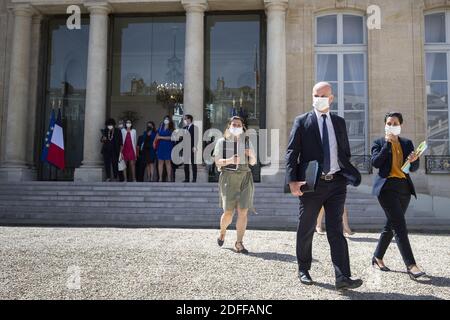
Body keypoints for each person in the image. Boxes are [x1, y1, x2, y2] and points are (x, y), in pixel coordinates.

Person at [286, 81, 363, 290]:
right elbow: (292, 152)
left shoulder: (338, 122)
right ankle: (303, 268)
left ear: (331, 98)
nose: (318, 99)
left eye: (323, 95)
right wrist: (292, 181)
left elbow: (344, 152)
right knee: (306, 227)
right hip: (311, 185)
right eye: (315, 95)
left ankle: (343, 277)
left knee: (336, 230)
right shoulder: (302, 121)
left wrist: (348, 174)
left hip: (337, 183)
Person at [371, 112, 425, 279]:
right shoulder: (379, 142)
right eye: (389, 122)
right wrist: (387, 145)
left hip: (404, 188)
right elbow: (376, 163)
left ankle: (377, 257)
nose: (392, 125)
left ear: (400, 125)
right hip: (386, 188)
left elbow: (413, 168)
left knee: (391, 226)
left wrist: (414, 160)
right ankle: (411, 265)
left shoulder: (407, 143)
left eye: (395, 123)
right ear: (385, 124)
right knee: (400, 226)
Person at [214, 116, 257, 254]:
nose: (236, 126)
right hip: (228, 179)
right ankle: (222, 232)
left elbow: (253, 162)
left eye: (239, 124)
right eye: (234, 124)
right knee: (228, 212)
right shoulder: (222, 142)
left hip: (245, 177)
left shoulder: (247, 142)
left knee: (243, 211)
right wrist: (230, 160)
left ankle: (239, 243)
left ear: (243, 127)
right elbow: (217, 162)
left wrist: (251, 155)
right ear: (229, 126)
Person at [155, 115, 175, 182]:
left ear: (169, 120)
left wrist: (161, 137)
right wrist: (154, 142)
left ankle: (169, 178)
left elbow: (171, 138)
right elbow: (157, 135)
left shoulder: (171, 128)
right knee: (160, 162)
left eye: (167, 119)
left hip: (168, 146)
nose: (166, 120)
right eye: (165, 119)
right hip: (160, 146)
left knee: (168, 162)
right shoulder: (161, 127)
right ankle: (160, 178)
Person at [182, 114, 199, 183]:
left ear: (189, 119)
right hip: (185, 148)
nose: (185, 120)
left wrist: (194, 146)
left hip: (192, 148)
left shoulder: (195, 128)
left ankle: (194, 179)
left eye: (185, 119)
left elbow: (196, 138)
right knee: (186, 164)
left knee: (193, 164)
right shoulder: (184, 128)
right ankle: (187, 178)